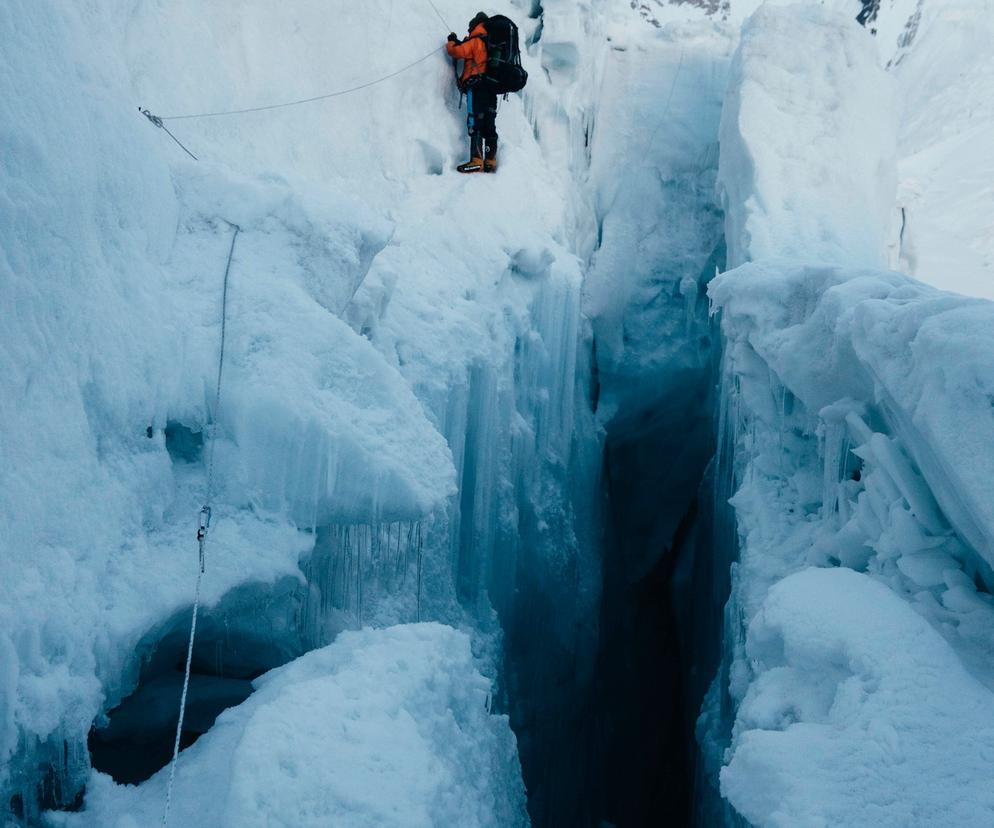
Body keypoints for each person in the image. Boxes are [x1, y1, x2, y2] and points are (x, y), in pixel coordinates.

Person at [446, 12, 499, 174]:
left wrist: (451, 42)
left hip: (477, 87)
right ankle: (490, 160)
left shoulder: (476, 41)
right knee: (489, 122)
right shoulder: (493, 44)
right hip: (491, 89)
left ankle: (476, 161)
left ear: (476, 25)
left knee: (474, 120)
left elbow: (457, 52)